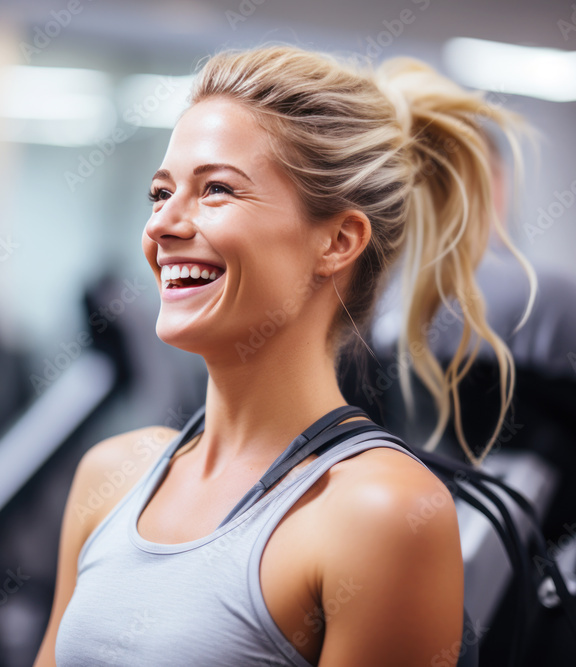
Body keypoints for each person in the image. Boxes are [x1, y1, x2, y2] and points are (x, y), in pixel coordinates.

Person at [34, 44, 536, 666]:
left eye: (216, 189)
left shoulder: (380, 512)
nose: (163, 224)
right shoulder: (111, 476)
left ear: (338, 240)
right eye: (160, 193)